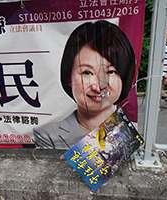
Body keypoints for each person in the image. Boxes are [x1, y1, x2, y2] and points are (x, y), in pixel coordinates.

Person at [33, 20, 136, 149]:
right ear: (69, 77)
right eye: (87, 72)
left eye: (110, 71)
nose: (98, 87)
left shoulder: (128, 132)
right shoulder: (47, 135)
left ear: (124, 78)